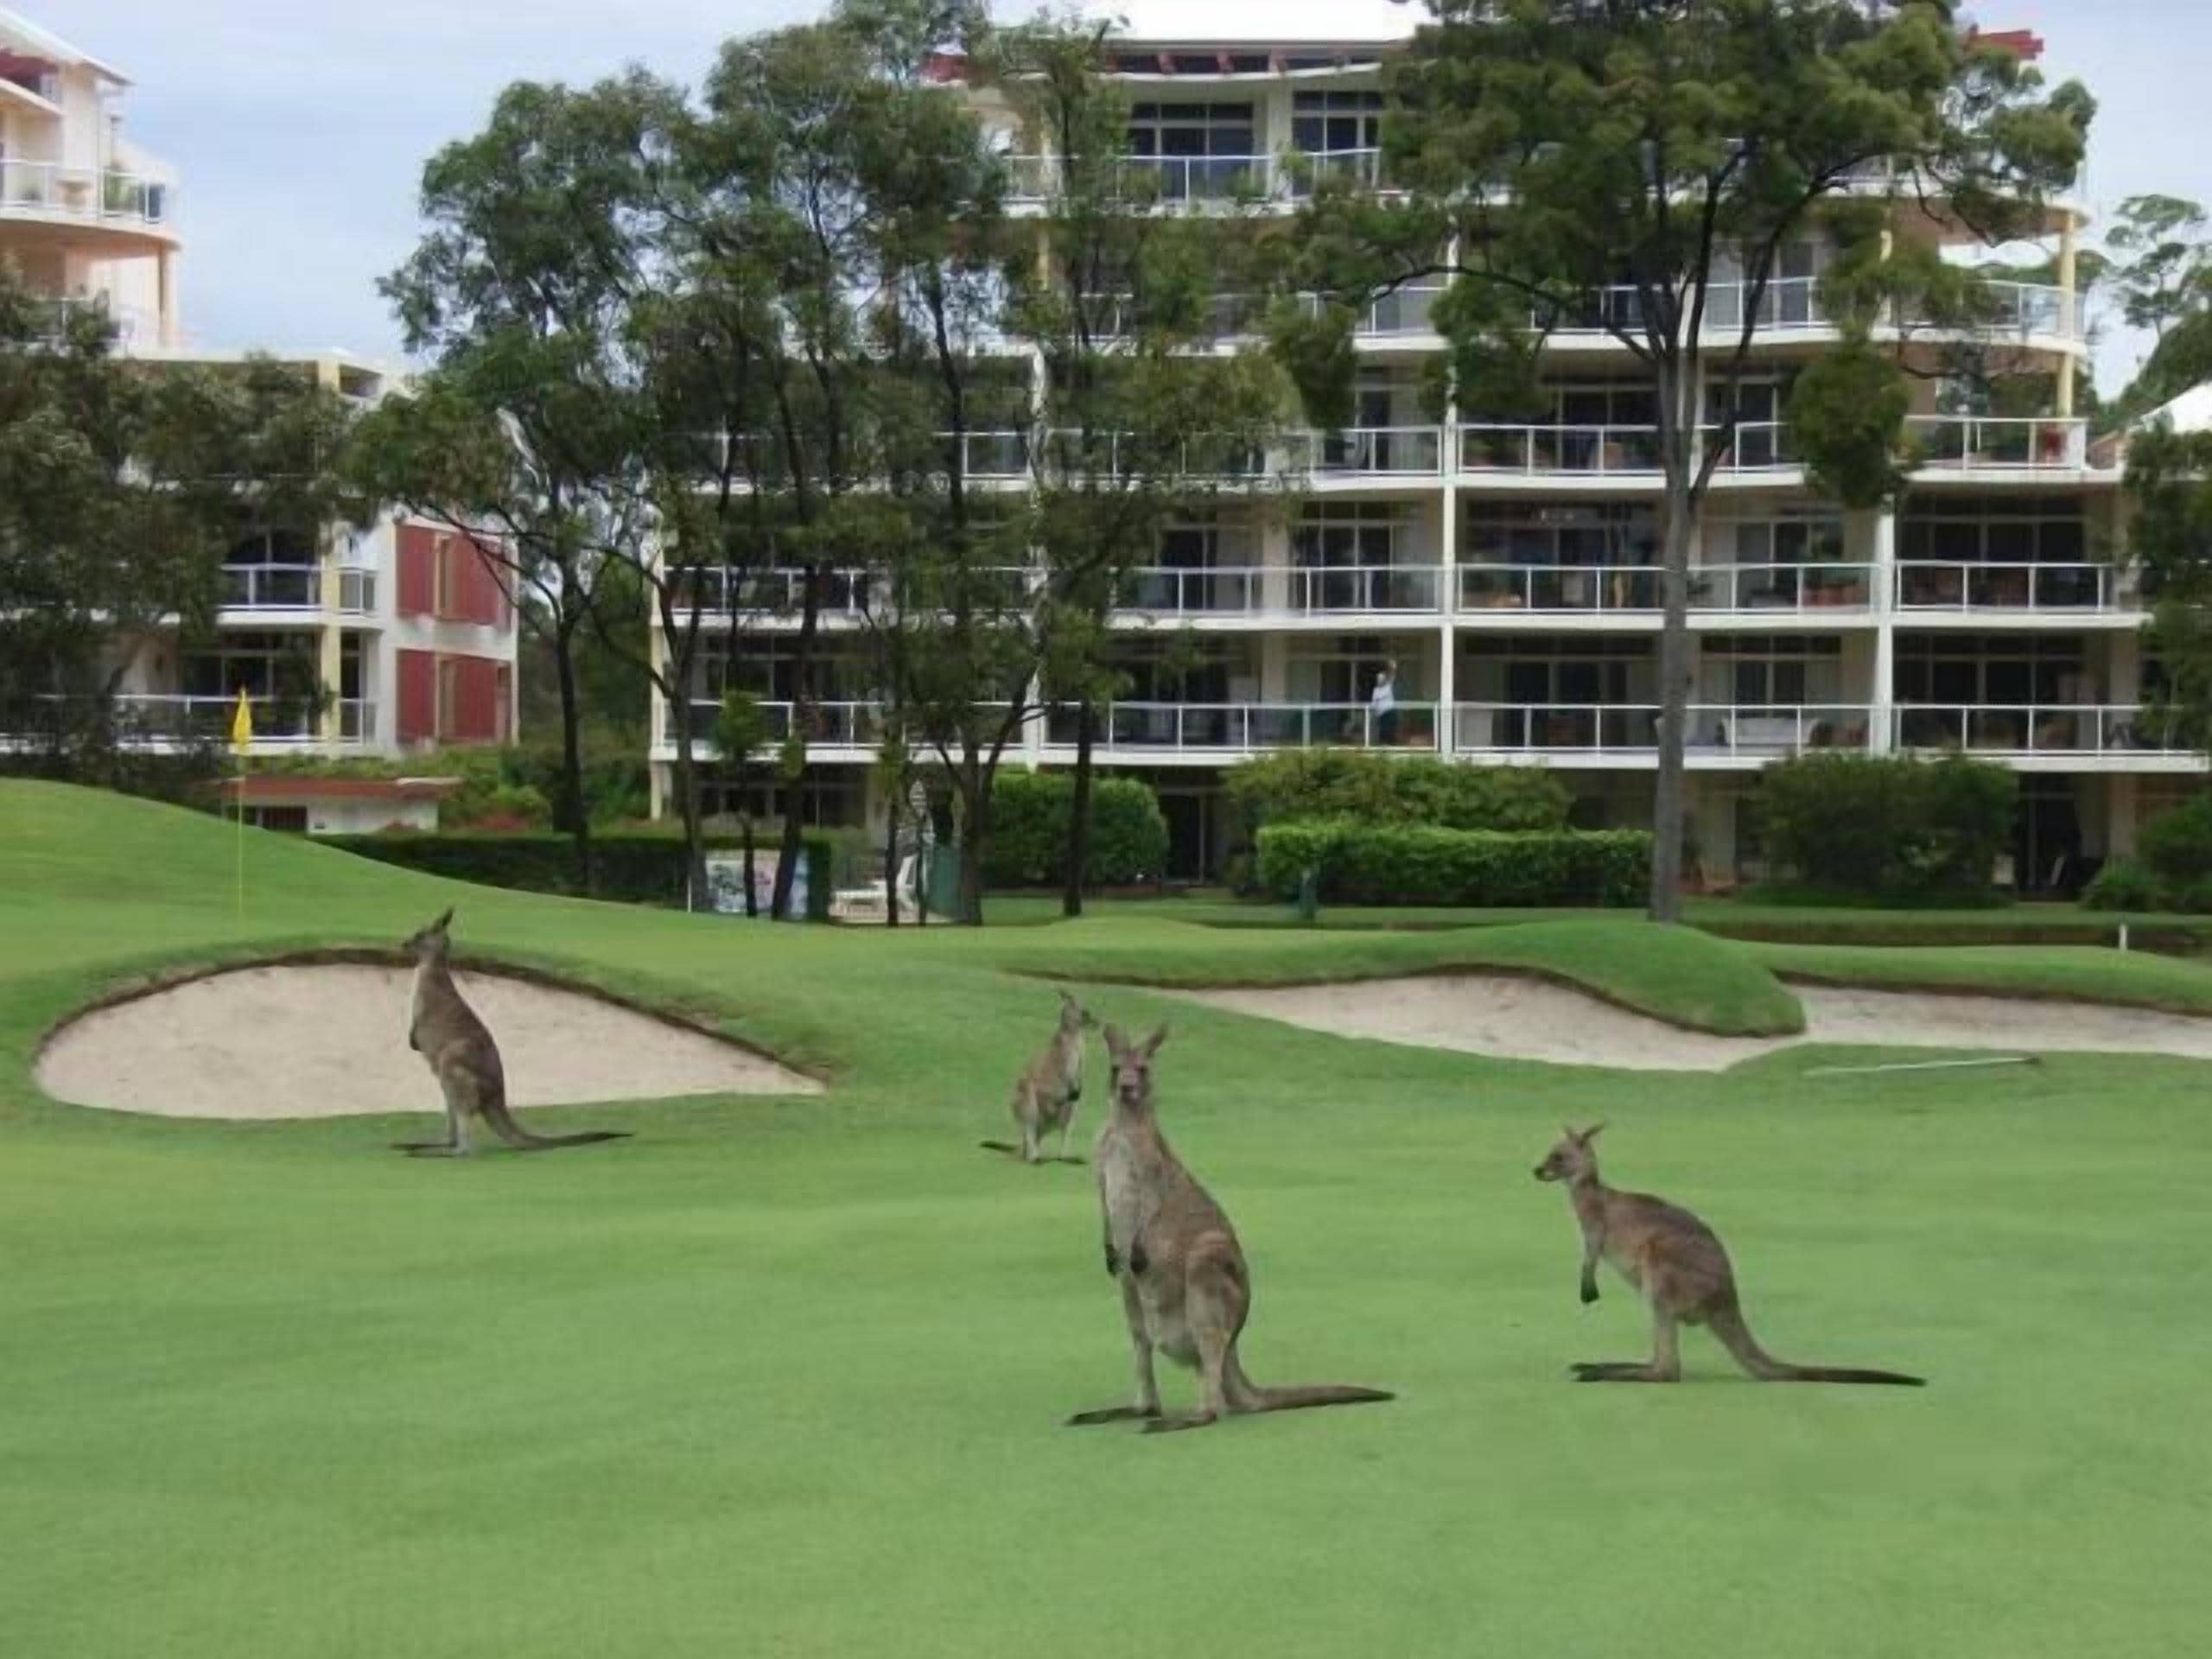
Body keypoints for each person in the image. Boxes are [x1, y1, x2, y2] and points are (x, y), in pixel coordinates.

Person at [1369, 659, 1398, 747]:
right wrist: (1372, 714)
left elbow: (1392, 676)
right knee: (1383, 732)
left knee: (1390, 731)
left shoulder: (1388, 686)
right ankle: (1383, 746)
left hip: (1389, 712)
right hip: (1381, 714)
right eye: (1378, 679)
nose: (1380, 680)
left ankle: (1391, 745)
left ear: (1384, 679)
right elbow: (1374, 703)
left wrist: (1393, 666)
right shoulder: (1376, 691)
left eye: (1382, 679)